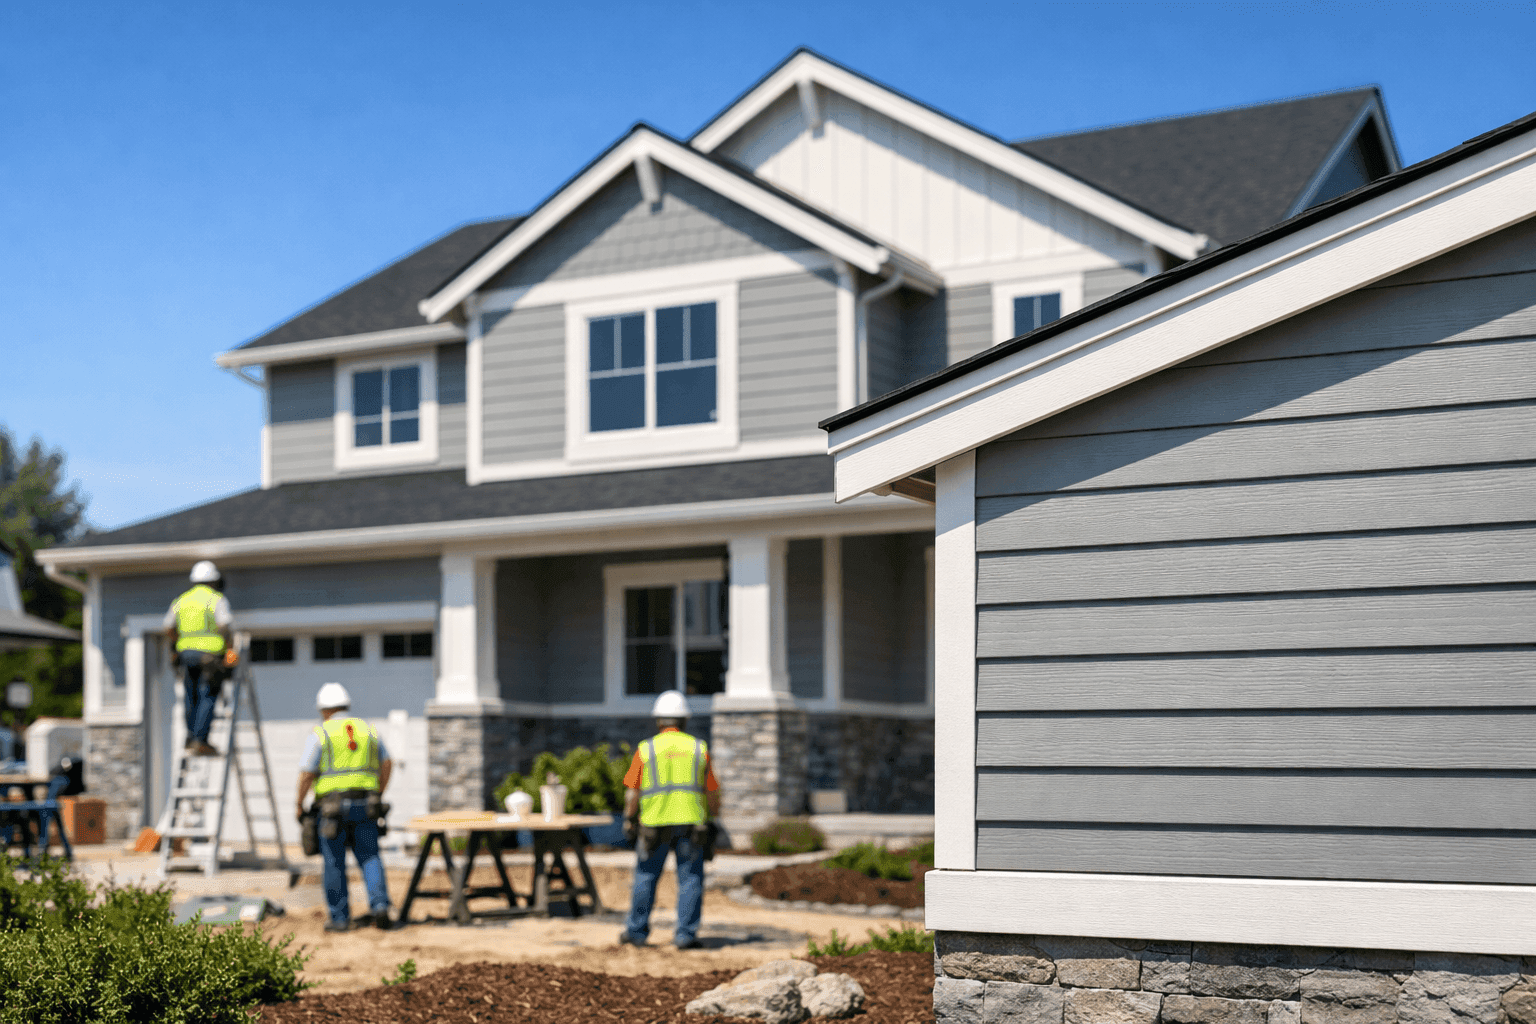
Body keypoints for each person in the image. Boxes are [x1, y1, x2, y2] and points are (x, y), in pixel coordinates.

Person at [618, 689, 720, 950]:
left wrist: (629, 820)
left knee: (645, 877)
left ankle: (636, 933)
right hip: (692, 823)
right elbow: (712, 791)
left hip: (653, 823)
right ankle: (685, 936)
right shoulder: (699, 748)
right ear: (684, 720)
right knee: (690, 879)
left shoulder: (646, 749)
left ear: (658, 720)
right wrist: (713, 819)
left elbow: (633, 792)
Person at [294, 682, 393, 932]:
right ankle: (379, 906)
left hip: (332, 810)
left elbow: (307, 773)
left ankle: (339, 920)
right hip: (366, 804)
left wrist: (298, 803)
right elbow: (387, 762)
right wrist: (379, 792)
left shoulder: (322, 733)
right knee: (370, 855)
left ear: (324, 710)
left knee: (334, 861)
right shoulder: (369, 730)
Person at [163, 560, 233, 757]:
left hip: (187, 655)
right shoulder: (216, 599)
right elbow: (225, 626)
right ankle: (200, 741)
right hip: (210, 655)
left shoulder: (181, 600)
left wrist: (177, 645)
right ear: (213, 580)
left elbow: (168, 627)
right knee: (208, 694)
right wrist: (230, 650)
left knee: (190, 696)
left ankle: (190, 737)